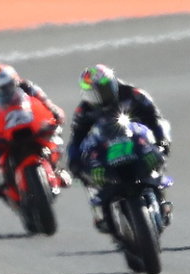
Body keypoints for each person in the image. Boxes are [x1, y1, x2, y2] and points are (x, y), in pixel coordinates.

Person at [67, 64, 172, 228]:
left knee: (156, 154)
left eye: (104, 89)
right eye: (94, 93)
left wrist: (162, 141)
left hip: (135, 141)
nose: (100, 95)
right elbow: (76, 140)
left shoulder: (134, 94)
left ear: (113, 83)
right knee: (86, 174)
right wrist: (74, 161)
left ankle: (161, 194)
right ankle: (99, 211)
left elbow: (156, 119)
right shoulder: (84, 110)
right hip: (106, 149)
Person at [0, 63, 66, 196]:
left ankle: (57, 168)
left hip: (30, 123)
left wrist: (54, 110)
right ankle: (1, 180)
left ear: (14, 82)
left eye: (4, 86)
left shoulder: (27, 87)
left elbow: (45, 100)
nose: (0, 91)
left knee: (55, 133)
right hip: (6, 132)